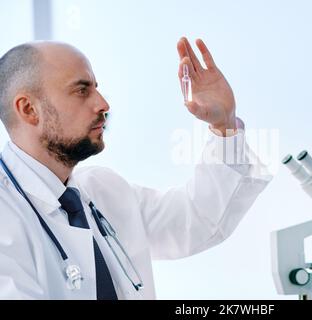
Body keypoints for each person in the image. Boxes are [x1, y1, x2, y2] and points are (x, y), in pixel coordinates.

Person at [0, 38, 272, 299]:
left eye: (96, 87)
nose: (103, 104)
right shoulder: (6, 213)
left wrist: (225, 125)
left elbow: (199, 218)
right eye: (82, 90)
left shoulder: (101, 190)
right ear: (28, 109)